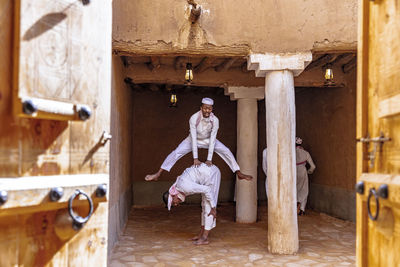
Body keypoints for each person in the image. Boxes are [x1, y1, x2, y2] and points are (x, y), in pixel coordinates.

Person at [145, 97, 252, 181]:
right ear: (201, 108)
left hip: (208, 140)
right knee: (176, 152)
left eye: (209, 108)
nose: (207, 110)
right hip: (192, 139)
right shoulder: (194, 118)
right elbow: (194, 137)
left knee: (226, 150)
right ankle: (158, 173)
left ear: (212, 109)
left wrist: (209, 159)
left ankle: (238, 172)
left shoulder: (215, 120)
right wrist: (195, 159)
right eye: (205, 108)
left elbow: (213, 139)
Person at [164, 163, 221, 245]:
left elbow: (207, 190)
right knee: (204, 205)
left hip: (212, 174)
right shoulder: (179, 188)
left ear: (173, 196)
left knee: (209, 207)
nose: (176, 204)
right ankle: (201, 234)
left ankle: (204, 238)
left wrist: (213, 207)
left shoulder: (184, 187)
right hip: (206, 176)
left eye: (173, 203)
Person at [295, 137, 316, 216]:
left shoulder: (291, 152)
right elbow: (313, 166)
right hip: (303, 171)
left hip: (293, 171)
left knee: (294, 189)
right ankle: (302, 209)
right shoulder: (305, 153)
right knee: (304, 190)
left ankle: (294, 206)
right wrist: (309, 171)